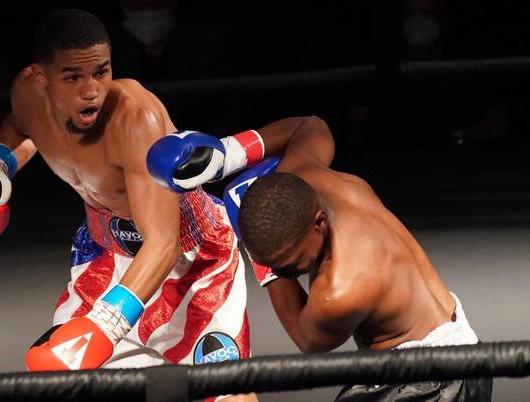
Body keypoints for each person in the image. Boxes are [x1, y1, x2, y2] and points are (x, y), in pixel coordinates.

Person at [0, 9, 316, 401]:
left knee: (225, 394)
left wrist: (107, 323)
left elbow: (164, 243)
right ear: (41, 76)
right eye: (73, 77)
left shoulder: (136, 119)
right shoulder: (27, 94)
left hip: (191, 263)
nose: (91, 90)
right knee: (67, 385)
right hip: (107, 255)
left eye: (101, 72)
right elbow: (20, 125)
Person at [153, 116, 493, 401]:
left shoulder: (342, 289)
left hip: (431, 383)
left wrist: (266, 269)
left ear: (319, 223)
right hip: (446, 353)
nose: (285, 272)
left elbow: (307, 338)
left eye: (289, 264)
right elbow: (311, 127)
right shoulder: (305, 174)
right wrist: (228, 154)